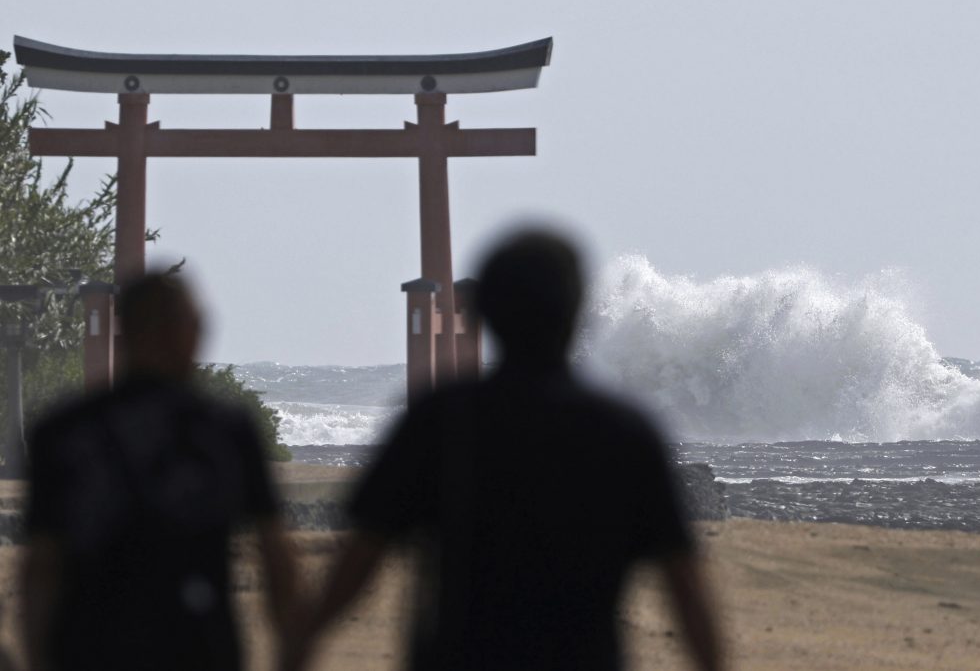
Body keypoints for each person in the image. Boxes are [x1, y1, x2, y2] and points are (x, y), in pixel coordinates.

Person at [284, 230, 724, 671]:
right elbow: (683, 583)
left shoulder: (440, 420)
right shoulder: (624, 431)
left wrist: (302, 641)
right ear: (577, 314)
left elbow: (363, 554)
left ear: (481, 314)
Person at [21, 273, 296, 671]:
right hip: (197, 648)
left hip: (89, 648)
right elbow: (275, 555)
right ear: (184, 330)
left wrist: (36, 656)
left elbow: (41, 568)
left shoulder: (62, 430)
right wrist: (294, 650)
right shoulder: (225, 429)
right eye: (198, 323)